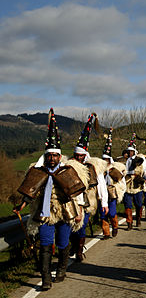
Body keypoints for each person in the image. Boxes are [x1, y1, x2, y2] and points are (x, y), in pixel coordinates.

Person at [13, 108, 88, 290]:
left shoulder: (68, 172)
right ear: (46, 156)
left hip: (63, 213)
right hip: (45, 214)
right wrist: (21, 205)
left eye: (55, 155)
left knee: (63, 243)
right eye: (50, 155)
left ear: (60, 156)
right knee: (45, 245)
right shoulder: (38, 172)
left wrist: (78, 211)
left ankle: (61, 269)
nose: (52, 158)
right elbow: (31, 192)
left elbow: (77, 192)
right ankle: (46, 278)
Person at [69, 113, 109, 262]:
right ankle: (74, 247)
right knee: (72, 226)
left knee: (81, 226)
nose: (79, 158)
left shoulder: (93, 167)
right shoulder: (70, 166)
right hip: (72, 202)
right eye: (77, 155)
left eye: (81, 156)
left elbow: (101, 185)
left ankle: (79, 251)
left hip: (87, 202)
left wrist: (104, 203)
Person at [101, 128, 126, 239]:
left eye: (107, 160)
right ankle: (106, 232)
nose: (105, 162)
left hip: (112, 194)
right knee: (102, 214)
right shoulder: (99, 170)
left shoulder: (115, 170)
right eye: (104, 160)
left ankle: (115, 226)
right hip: (102, 194)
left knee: (111, 212)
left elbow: (121, 182)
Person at [124, 133, 146, 229]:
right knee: (127, 204)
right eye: (128, 151)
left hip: (137, 184)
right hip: (128, 184)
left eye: (131, 151)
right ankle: (129, 223)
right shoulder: (126, 160)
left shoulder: (141, 159)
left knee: (138, 204)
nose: (130, 153)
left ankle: (138, 218)